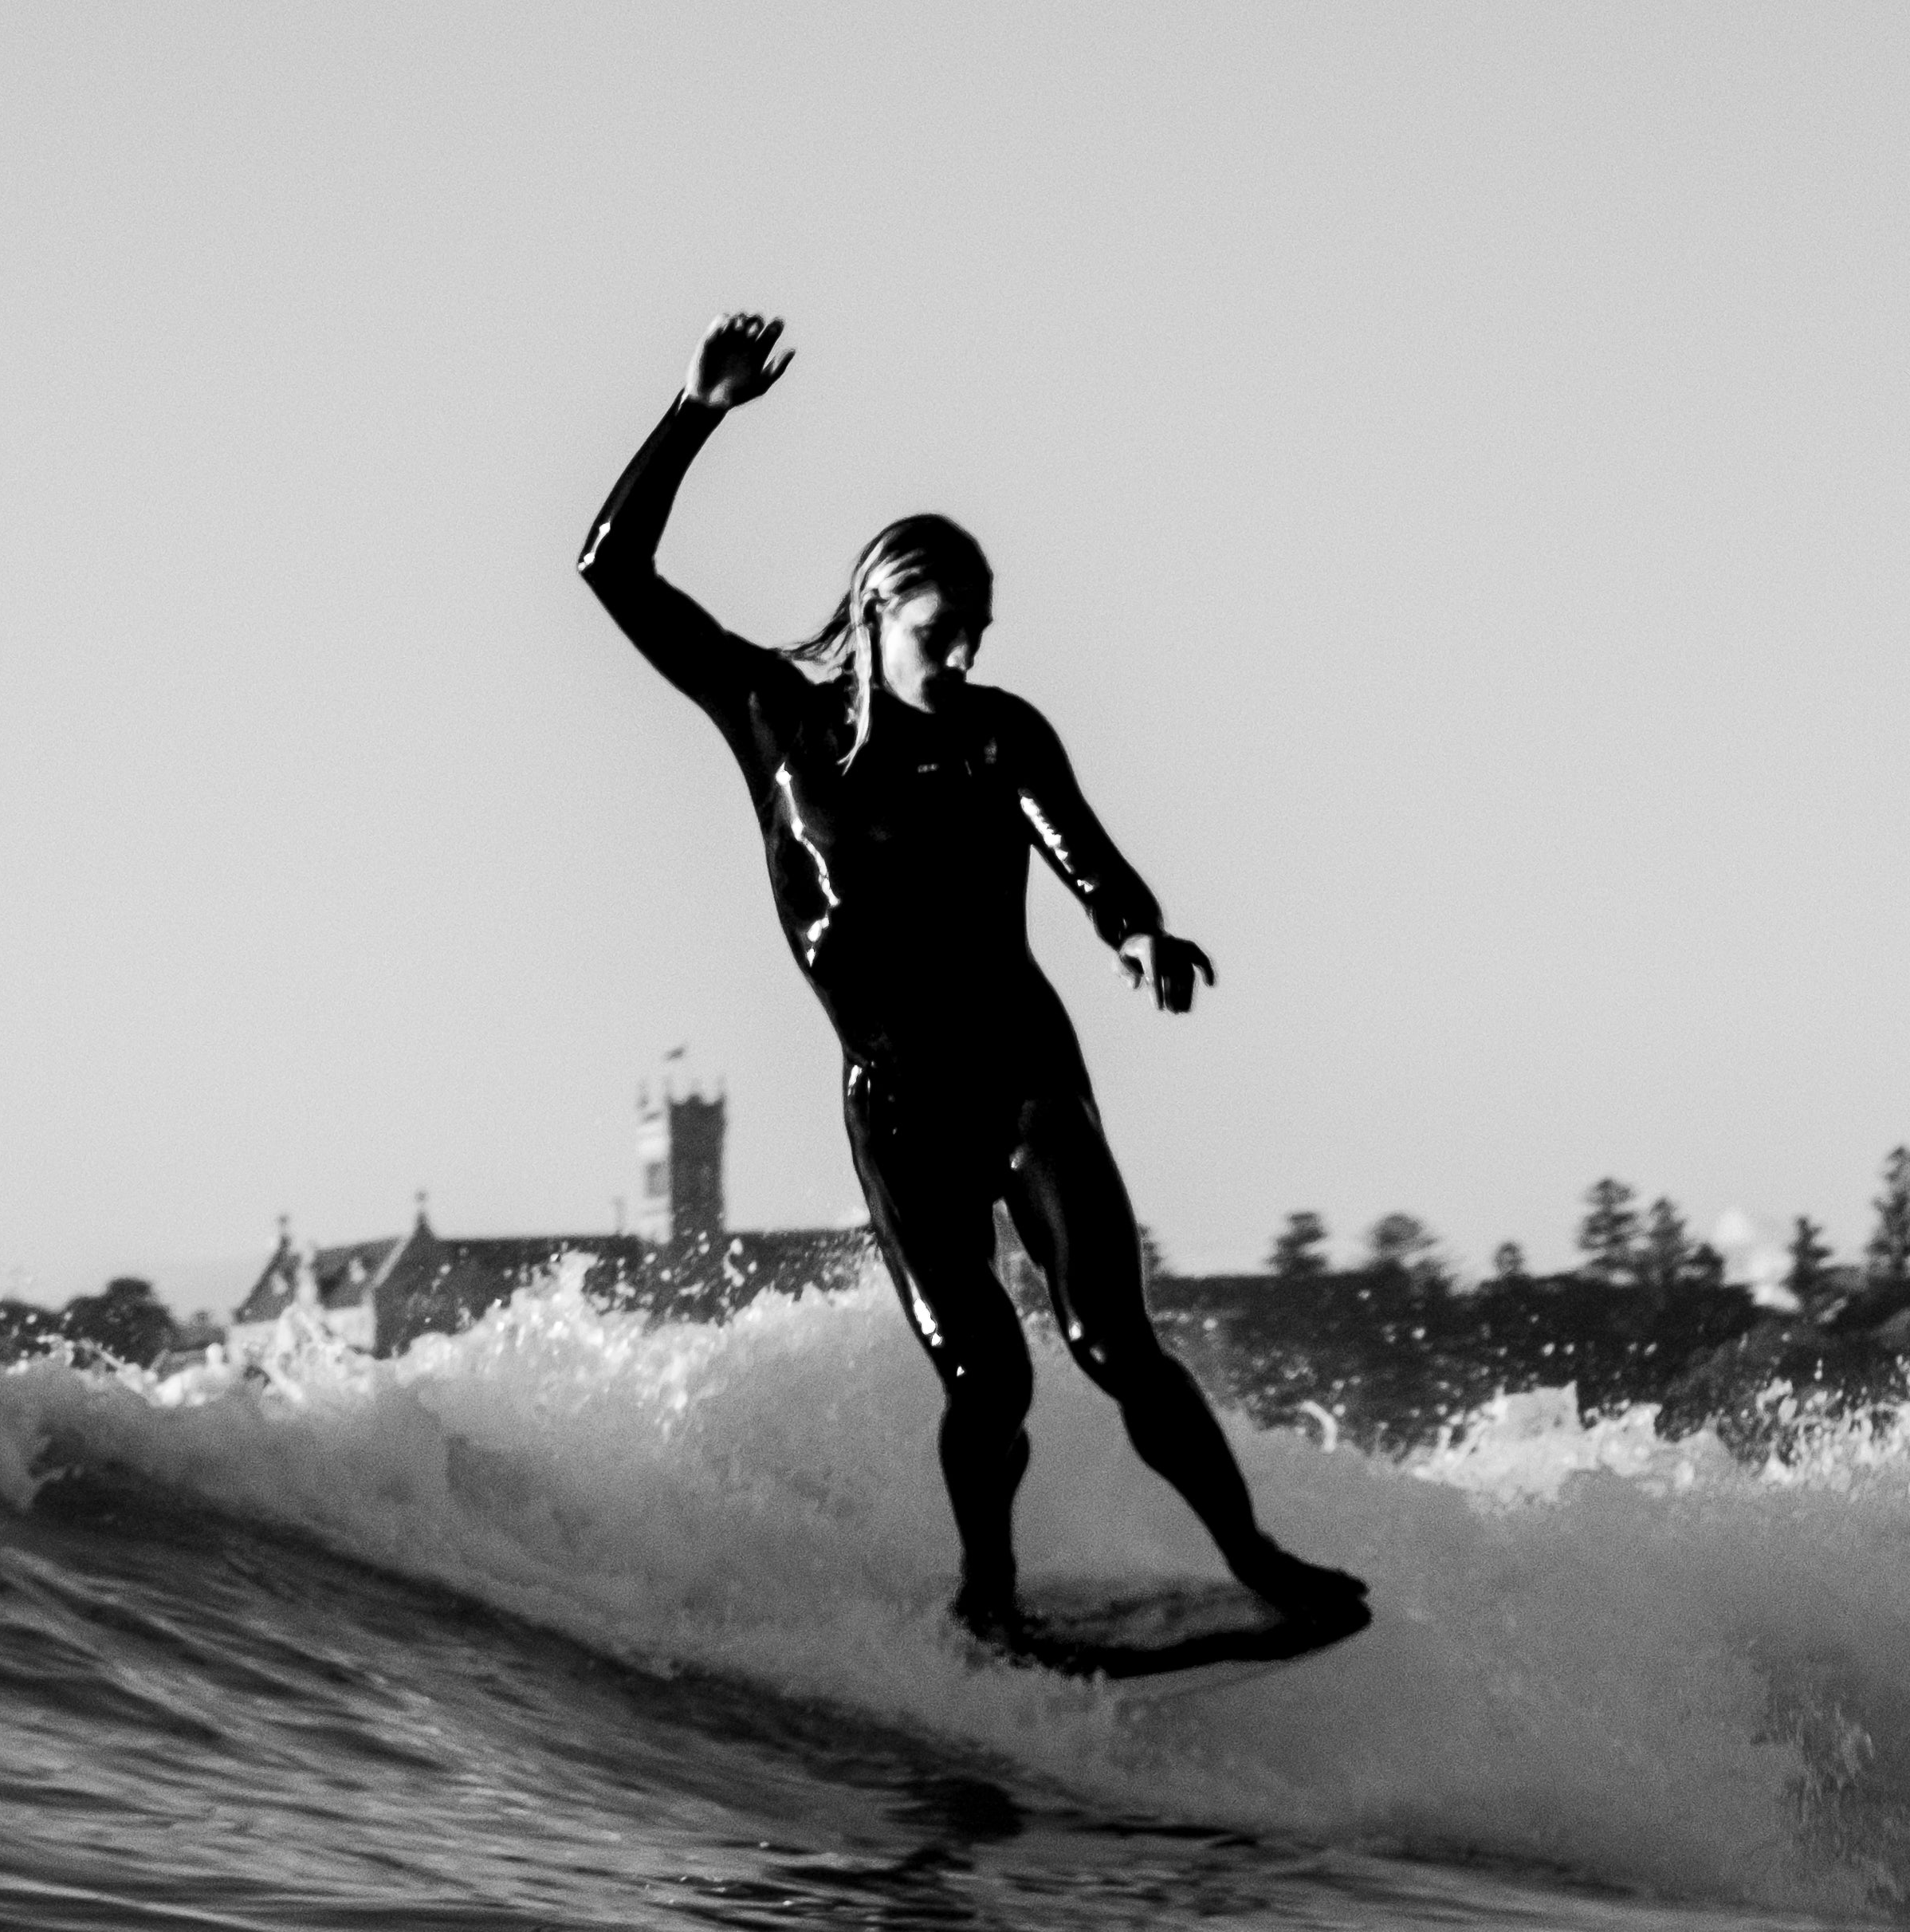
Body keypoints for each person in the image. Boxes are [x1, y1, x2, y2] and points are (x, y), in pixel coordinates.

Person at [577, 313, 1366, 1646]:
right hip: (897, 1106)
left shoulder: (1001, 736)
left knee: (1111, 1340)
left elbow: (1083, 849)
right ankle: (988, 1597)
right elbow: (611, 568)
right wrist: (696, 410)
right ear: (879, 611)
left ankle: (1257, 1558)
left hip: (1022, 1078)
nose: (967, 656)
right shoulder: (775, 719)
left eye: (981, 632)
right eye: (945, 630)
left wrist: (1136, 930)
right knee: (985, 1375)